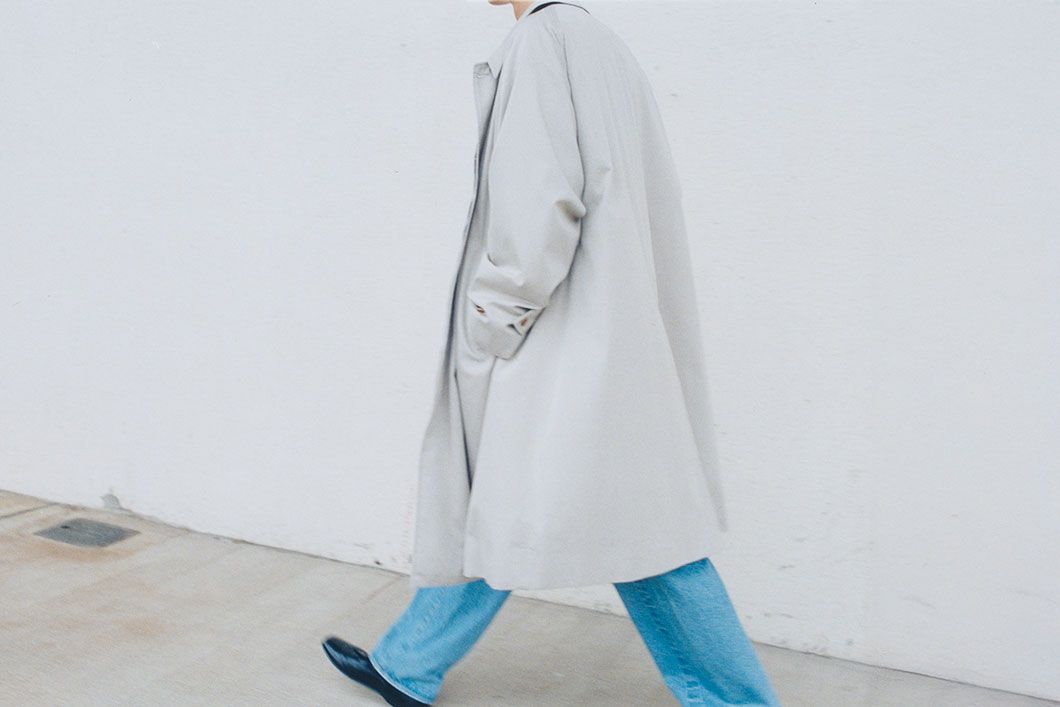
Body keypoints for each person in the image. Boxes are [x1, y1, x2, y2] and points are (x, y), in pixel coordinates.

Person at [323, 1, 782, 704]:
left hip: (558, 333)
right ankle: (407, 663)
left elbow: (539, 205)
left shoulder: (540, 41)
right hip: (604, 330)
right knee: (514, 502)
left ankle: (739, 701)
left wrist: (493, 318)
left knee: (637, 534)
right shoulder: (602, 44)